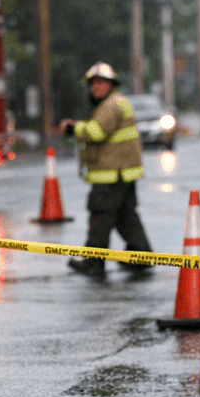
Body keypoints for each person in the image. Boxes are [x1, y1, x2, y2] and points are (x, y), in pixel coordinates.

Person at [58, 62, 151, 278]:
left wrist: (72, 128)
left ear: (111, 84)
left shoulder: (111, 106)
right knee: (126, 217)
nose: (95, 87)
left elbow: (96, 132)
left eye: (100, 83)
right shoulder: (116, 102)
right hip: (122, 173)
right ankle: (141, 255)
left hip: (111, 175)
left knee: (100, 215)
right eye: (93, 84)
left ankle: (93, 262)